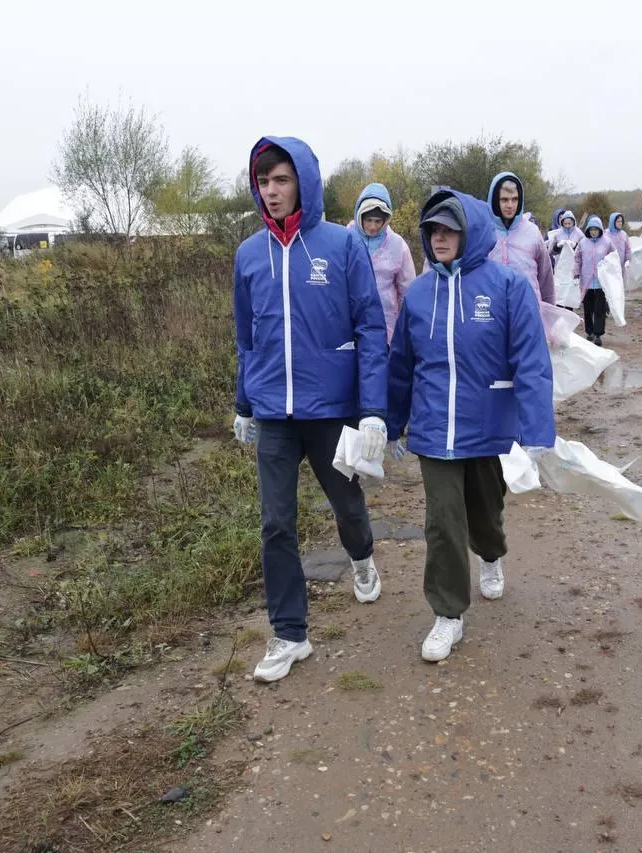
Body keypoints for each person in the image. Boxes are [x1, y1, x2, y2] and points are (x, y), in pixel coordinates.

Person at [232, 137, 389, 683]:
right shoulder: (249, 256)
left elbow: (370, 326)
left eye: (280, 180)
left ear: (303, 181)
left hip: (330, 410)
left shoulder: (340, 247)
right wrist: (244, 403)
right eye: (262, 182)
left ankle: (363, 556)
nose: (270, 192)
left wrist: (372, 408)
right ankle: (290, 634)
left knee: (347, 506)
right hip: (274, 412)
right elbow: (247, 338)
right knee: (276, 523)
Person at [387, 189, 555, 663]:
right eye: (433, 229)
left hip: (486, 424)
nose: (439, 238)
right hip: (434, 427)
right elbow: (402, 365)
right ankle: (448, 613)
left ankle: (492, 554)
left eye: (449, 229)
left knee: (484, 510)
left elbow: (531, 360)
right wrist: (387, 422)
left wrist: (538, 430)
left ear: (469, 232)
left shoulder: (506, 287)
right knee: (443, 520)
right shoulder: (418, 294)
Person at [349, 183, 416, 343]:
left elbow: (408, 289)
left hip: (386, 325)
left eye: (378, 221)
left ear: (386, 219)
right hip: (351, 322)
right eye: (368, 220)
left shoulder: (397, 244)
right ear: (360, 217)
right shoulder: (347, 238)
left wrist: (406, 324)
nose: (373, 227)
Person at [488, 171, 556, 304]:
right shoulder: (483, 232)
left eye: (514, 199)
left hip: (528, 311)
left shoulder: (532, 232)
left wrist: (549, 312)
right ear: (495, 200)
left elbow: (545, 276)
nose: (510, 205)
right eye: (504, 200)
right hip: (493, 312)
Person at [575, 215, 616, 345]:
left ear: (600, 230)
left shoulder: (607, 242)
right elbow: (577, 259)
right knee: (588, 309)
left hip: (601, 281)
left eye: (596, 229)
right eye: (591, 229)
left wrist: (611, 271)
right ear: (588, 230)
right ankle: (590, 332)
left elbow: (613, 257)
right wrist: (576, 273)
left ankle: (598, 334)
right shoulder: (582, 242)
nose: (593, 232)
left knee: (600, 309)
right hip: (586, 281)